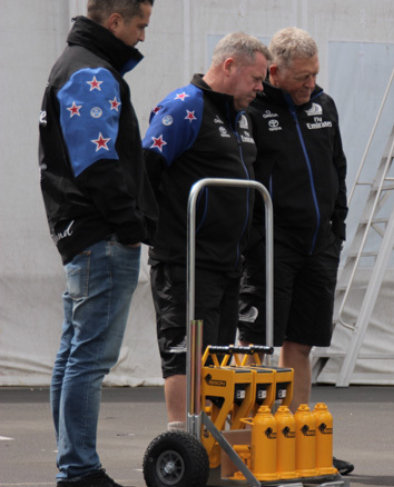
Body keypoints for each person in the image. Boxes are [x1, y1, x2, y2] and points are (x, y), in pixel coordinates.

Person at [38, 1, 157, 486]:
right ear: (114, 22)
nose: (143, 37)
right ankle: (80, 468)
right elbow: (96, 161)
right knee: (88, 358)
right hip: (100, 234)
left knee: (73, 354)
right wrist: (130, 225)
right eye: (140, 25)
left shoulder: (73, 64)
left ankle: (73, 462)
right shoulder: (92, 72)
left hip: (81, 231)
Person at [236, 26, 352, 475]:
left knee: (300, 343)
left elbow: (337, 167)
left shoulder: (324, 104)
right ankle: (245, 444)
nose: (311, 84)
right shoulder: (253, 107)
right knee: (254, 344)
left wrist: (336, 227)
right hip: (272, 245)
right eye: (302, 76)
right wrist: (253, 239)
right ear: (274, 71)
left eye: (314, 74)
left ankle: (296, 443)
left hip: (319, 244)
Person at [142, 32, 270, 430]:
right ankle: (181, 441)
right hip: (185, 260)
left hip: (228, 263)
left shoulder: (241, 117)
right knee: (184, 354)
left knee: (214, 357)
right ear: (229, 66)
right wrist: (155, 234)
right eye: (256, 78)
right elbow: (146, 169)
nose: (261, 87)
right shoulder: (184, 107)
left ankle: (210, 442)